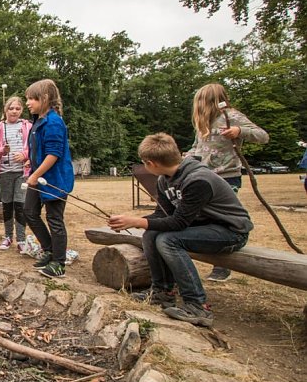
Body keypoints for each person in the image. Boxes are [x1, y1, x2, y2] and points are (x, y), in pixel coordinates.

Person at [109, 133, 254, 327]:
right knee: (152, 234)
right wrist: (132, 221)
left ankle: (197, 305)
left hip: (230, 232)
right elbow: (163, 215)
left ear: (151, 163)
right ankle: (162, 292)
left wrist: (136, 221)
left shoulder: (198, 180)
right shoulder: (164, 180)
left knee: (168, 240)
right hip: (202, 227)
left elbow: (178, 223)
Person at [184, 83, 268, 282]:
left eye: (202, 100)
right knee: (200, 217)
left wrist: (239, 131)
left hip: (226, 177)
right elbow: (197, 148)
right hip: (204, 177)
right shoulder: (202, 122)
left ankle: (221, 267)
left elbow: (263, 136)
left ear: (211, 100)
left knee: (221, 220)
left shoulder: (231, 116)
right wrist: (183, 160)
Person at [23, 79, 74, 278]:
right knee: (29, 212)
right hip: (38, 176)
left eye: (32, 99)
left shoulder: (53, 122)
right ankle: (49, 249)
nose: (28, 103)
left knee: (55, 219)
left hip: (54, 180)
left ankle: (59, 263)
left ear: (44, 99)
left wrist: (36, 174)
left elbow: (54, 154)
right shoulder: (38, 121)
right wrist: (31, 162)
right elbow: (40, 151)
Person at [0, 96, 32, 253]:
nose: (14, 111)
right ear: (5, 110)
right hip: (4, 171)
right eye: (11, 108)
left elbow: (33, 146)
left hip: (22, 171)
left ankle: (21, 239)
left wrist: (25, 155)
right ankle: (8, 236)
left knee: (20, 204)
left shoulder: (27, 126)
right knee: (7, 205)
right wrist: (2, 151)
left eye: (17, 108)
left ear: (21, 110)